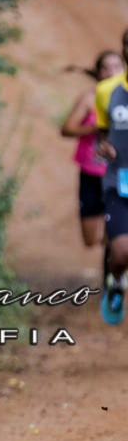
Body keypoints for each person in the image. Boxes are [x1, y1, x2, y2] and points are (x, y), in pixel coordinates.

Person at [60, 51, 123, 248]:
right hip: (91, 173)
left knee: (120, 235)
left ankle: (116, 261)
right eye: (105, 67)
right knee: (91, 240)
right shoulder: (89, 98)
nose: (110, 72)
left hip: (120, 175)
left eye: (116, 67)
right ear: (98, 72)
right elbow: (66, 129)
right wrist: (95, 128)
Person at [95, 30, 128, 324]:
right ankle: (117, 282)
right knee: (121, 253)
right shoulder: (107, 90)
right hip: (118, 182)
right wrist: (102, 146)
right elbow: (101, 134)